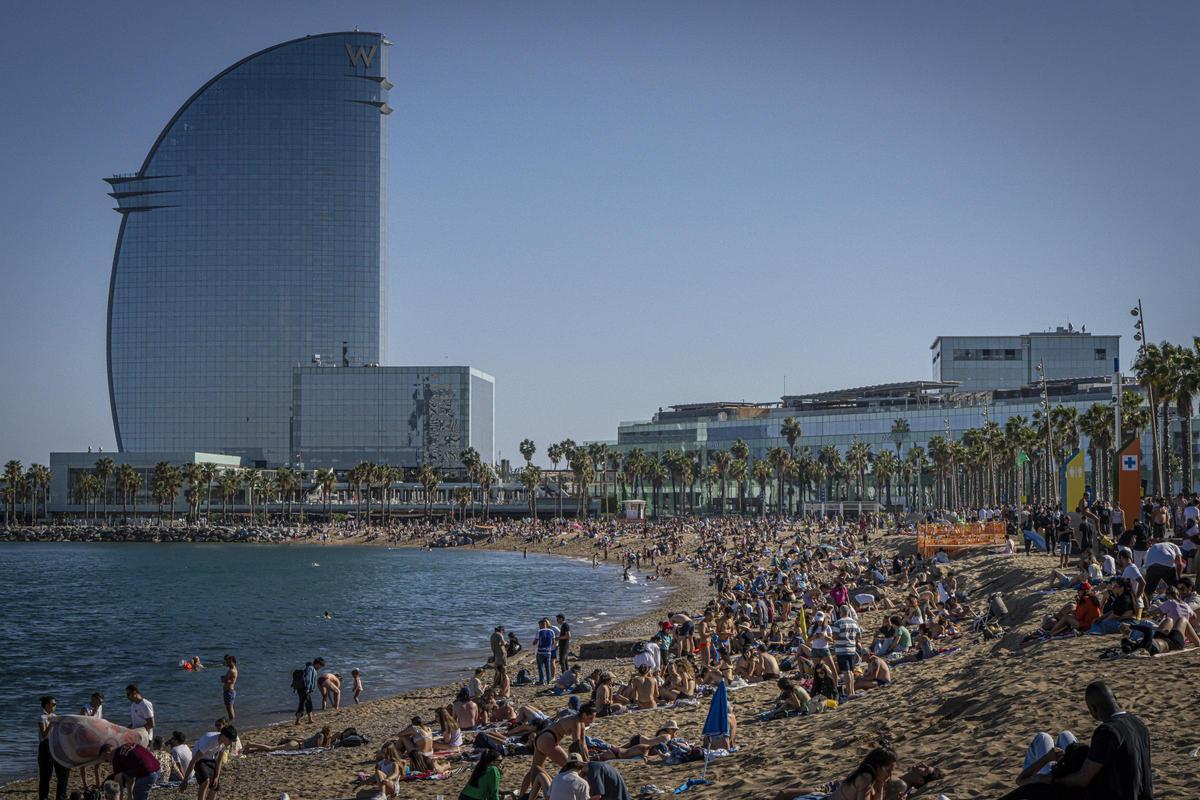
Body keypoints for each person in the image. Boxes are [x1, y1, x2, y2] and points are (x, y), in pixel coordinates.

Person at [997, 681, 1151, 799]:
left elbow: (1082, 779)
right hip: (1139, 794)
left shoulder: (1107, 731)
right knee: (1065, 736)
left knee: (1042, 738)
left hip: (1112, 795)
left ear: (1093, 709)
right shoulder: (1139, 724)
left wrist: (1055, 779)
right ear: (1115, 699)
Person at [179, 725, 238, 800]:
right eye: (230, 740)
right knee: (206, 781)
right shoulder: (210, 741)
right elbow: (193, 760)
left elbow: (219, 760)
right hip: (199, 759)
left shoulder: (224, 743)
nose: (230, 743)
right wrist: (185, 780)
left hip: (210, 758)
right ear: (223, 736)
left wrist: (217, 777)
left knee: (215, 785)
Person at [38, 696, 68, 800]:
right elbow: (44, 735)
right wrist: (52, 723)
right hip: (45, 746)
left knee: (64, 770)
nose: (55, 706)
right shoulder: (42, 717)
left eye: (55, 704)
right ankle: (44, 797)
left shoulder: (54, 716)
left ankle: (61, 796)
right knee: (46, 776)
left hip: (55, 745)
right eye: (53, 704)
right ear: (47, 705)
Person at [78, 692, 105, 790]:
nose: (100, 704)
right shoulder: (85, 708)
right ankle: (85, 785)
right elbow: (84, 723)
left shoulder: (100, 707)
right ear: (93, 699)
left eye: (101, 702)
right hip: (85, 738)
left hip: (96, 737)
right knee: (83, 763)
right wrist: (94, 711)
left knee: (98, 761)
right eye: (99, 702)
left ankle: (98, 784)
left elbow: (101, 719)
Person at [295, 658, 321, 724]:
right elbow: (308, 679)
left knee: (308, 704)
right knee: (302, 704)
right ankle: (297, 721)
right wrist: (308, 688)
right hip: (305, 689)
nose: (320, 668)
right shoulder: (310, 668)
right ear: (317, 664)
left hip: (304, 689)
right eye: (320, 666)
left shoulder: (310, 668)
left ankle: (310, 719)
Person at [534, 618, 556, 685]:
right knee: (548, 667)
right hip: (548, 652)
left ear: (541, 625)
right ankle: (549, 681)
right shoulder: (551, 631)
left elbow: (535, 642)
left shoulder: (539, 631)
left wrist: (534, 643)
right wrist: (548, 646)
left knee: (540, 667)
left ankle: (541, 681)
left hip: (540, 652)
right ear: (546, 624)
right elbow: (553, 642)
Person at [221, 655, 238, 721]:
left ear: (233, 662)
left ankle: (230, 722)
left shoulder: (231, 671)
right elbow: (231, 680)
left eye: (229, 662)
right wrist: (226, 679)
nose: (228, 664)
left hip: (229, 691)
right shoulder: (234, 669)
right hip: (230, 691)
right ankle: (231, 721)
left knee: (229, 709)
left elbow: (224, 680)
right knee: (230, 708)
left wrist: (223, 678)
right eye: (227, 662)